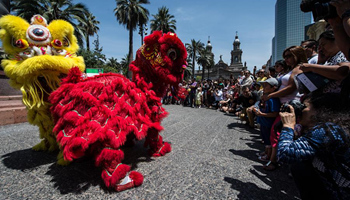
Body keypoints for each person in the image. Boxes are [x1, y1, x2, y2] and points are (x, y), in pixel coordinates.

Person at [278, 92, 350, 199]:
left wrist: (288, 126)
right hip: (331, 187)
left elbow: (285, 154)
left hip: (342, 193)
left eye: (304, 106)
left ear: (320, 110)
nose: (300, 110)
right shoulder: (331, 127)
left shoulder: (328, 129)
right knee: (300, 166)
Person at [254, 78, 281, 166]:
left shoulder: (273, 99)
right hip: (264, 122)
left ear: (273, 88)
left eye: (266, 85)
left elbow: (275, 113)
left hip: (268, 123)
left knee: (269, 139)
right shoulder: (266, 98)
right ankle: (265, 152)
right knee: (265, 138)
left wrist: (262, 114)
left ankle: (269, 155)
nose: (264, 87)